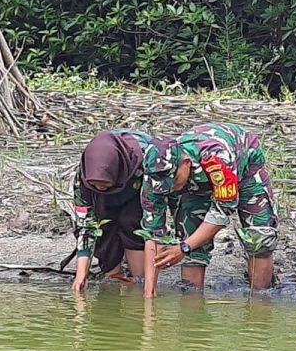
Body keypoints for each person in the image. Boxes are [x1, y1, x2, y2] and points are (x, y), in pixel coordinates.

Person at [140, 123, 279, 297]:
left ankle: (260, 300)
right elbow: (153, 233)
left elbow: (223, 210)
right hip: (194, 186)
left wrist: (183, 248)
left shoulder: (215, 157)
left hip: (246, 167)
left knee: (259, 237)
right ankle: (192, 307)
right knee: (190, 237)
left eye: (173, 181)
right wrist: (149, 293)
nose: (169, 189)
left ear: (186, 163)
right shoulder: (153, 177)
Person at [71, 129, 154, 292]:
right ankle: (112, 276)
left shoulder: (145, 160)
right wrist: (81, 275)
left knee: (132, 221)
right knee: (103, 226)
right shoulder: (83, 178)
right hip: (104, 201)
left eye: (104, 184)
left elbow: (154, 216)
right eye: (95, 184)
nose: (100, 187)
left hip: (135, 186)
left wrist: (149, 283)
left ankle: (138, 278)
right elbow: (86, 226)